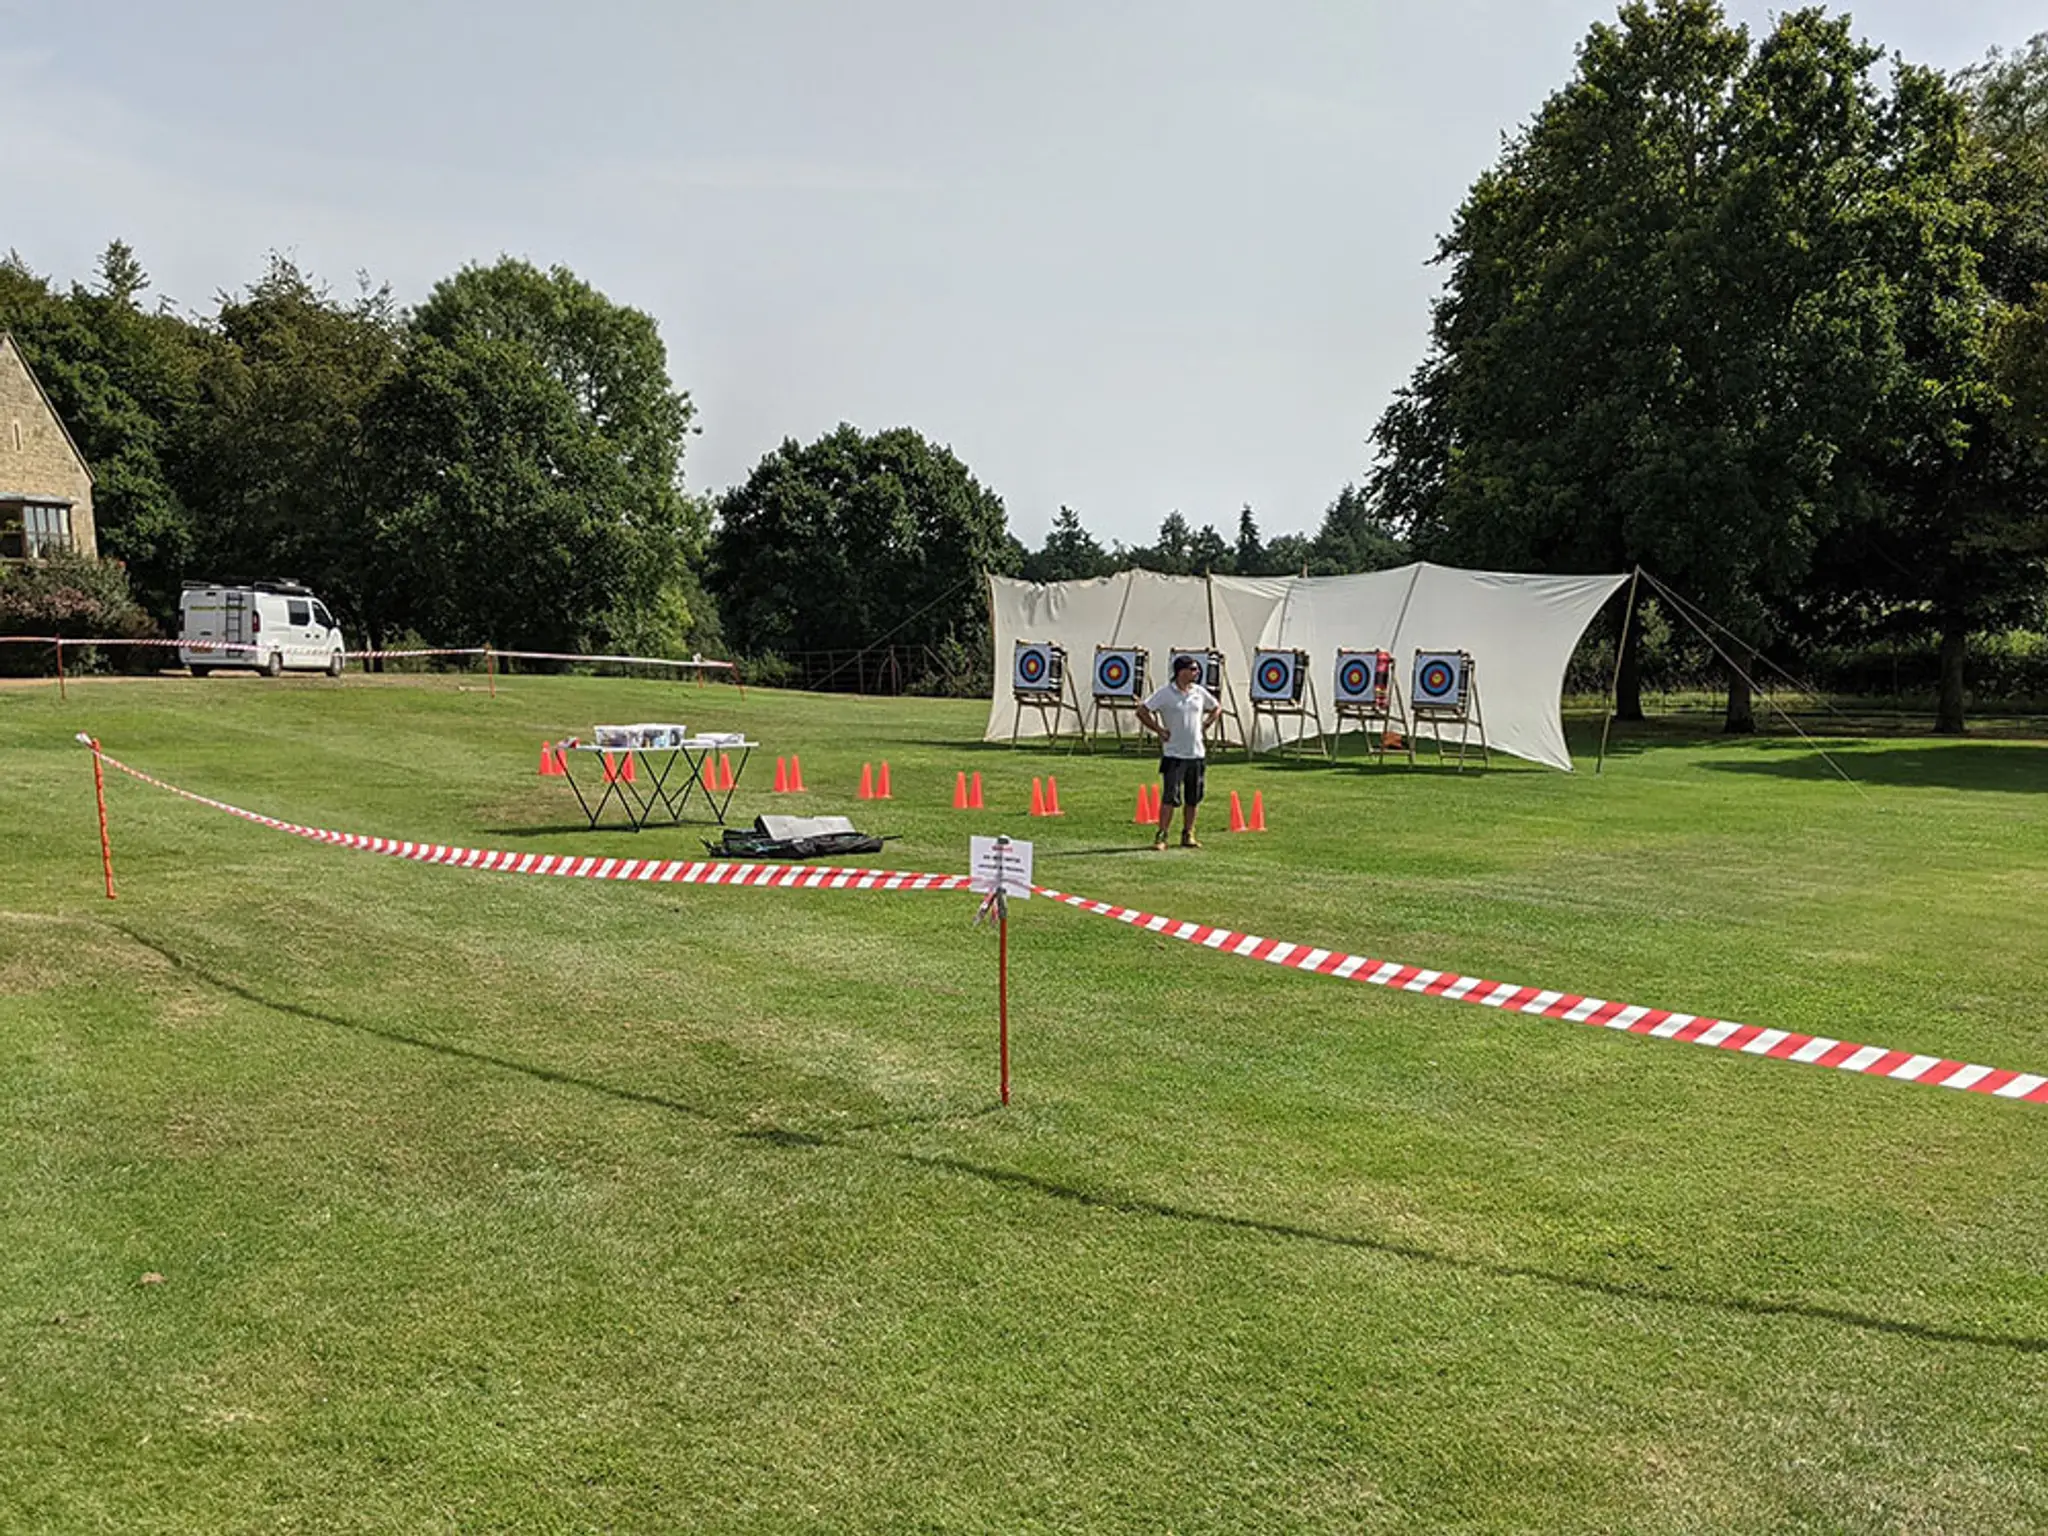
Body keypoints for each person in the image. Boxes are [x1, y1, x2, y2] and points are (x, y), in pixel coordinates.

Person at [1135, 654, 1222, 850]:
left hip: (1196, 754)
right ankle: (1162, 835)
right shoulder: (1165, 693)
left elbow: (1216, 707)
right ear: (1181, 671)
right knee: (1170, 797)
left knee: (1193, 798)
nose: (1196, 672)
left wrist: (1207, 723)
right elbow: (1142, 711)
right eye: (1192, 669)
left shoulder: (1199, 692)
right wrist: (1159, 730)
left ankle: (1188, 833)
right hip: (1174, 754)